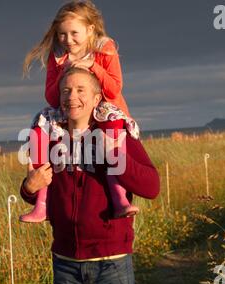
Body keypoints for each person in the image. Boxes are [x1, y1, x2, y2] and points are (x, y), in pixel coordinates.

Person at [20, 68, 160, 284]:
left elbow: (151, 187)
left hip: (111, 262)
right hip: (65, 263)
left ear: (96, 99)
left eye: (80, 90)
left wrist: (116, 157)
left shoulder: (117, 135)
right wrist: (29, 188)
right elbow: (38, 192)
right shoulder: (50, 138)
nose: (71, 96)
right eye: (66, 90)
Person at [20, 0, 140, 223]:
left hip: (104, 107)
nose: (67, 40)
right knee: (39, 128)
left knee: (112, 133)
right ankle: (41, 203)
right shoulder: (58, 55)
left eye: (74, 33)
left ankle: (119, 197)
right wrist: (63, 75)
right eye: (62, 34)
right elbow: (52, 97)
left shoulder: (104, 47)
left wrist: (93, 67)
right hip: (70, 110)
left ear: (90, 29)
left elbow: (114, 89)